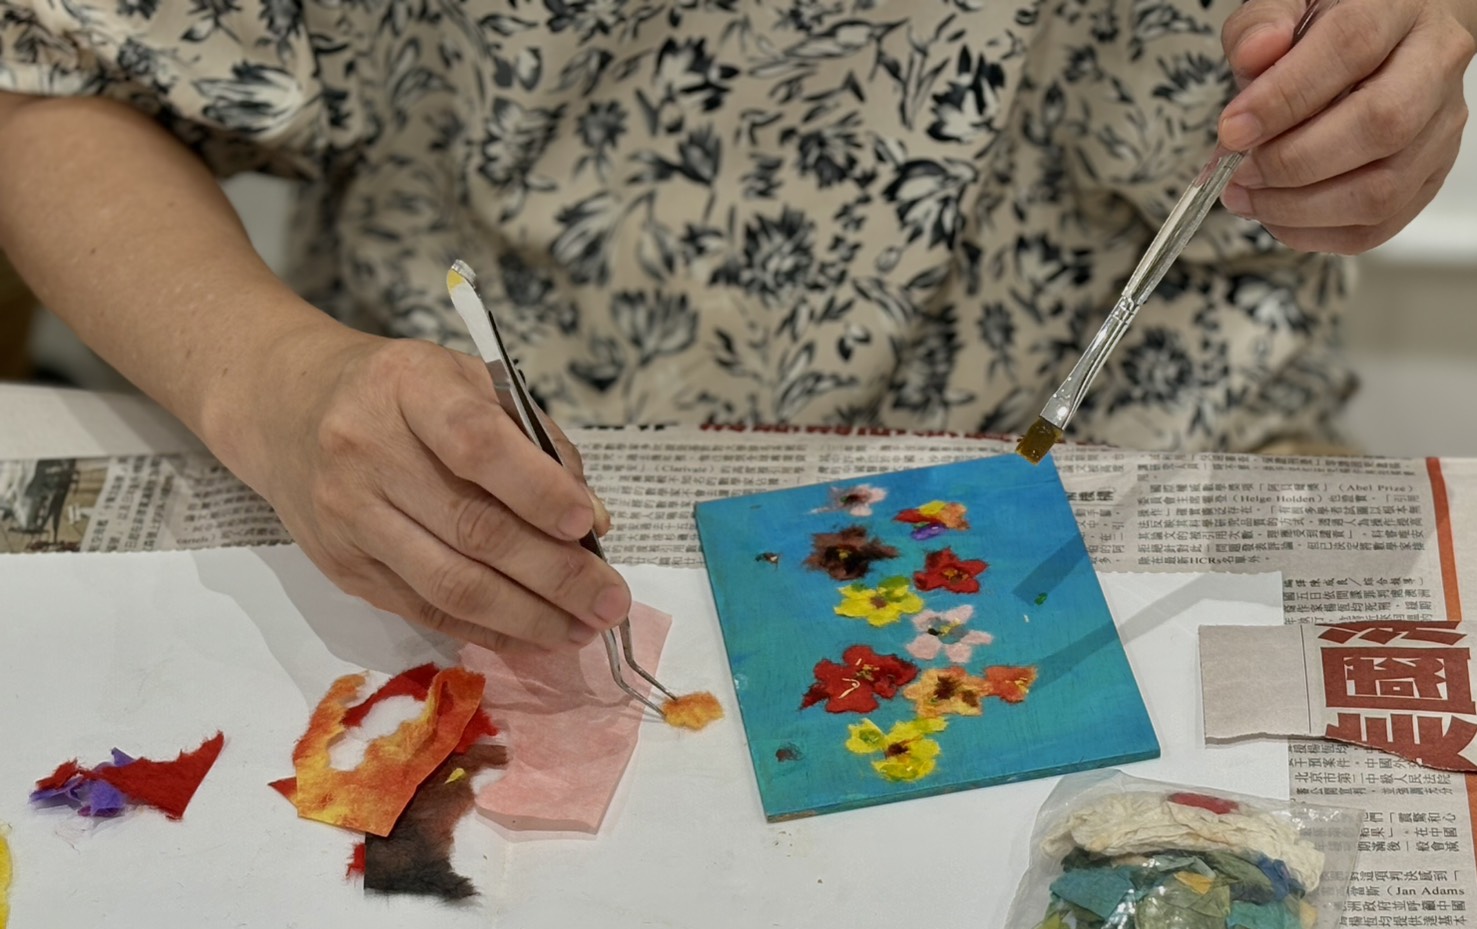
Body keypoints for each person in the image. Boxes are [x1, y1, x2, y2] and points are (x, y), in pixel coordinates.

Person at [0, 0, 1471, 653]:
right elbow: (43, 63)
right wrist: (271, 377)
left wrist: (1390, 63)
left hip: (1150, 450)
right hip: (495, 480)